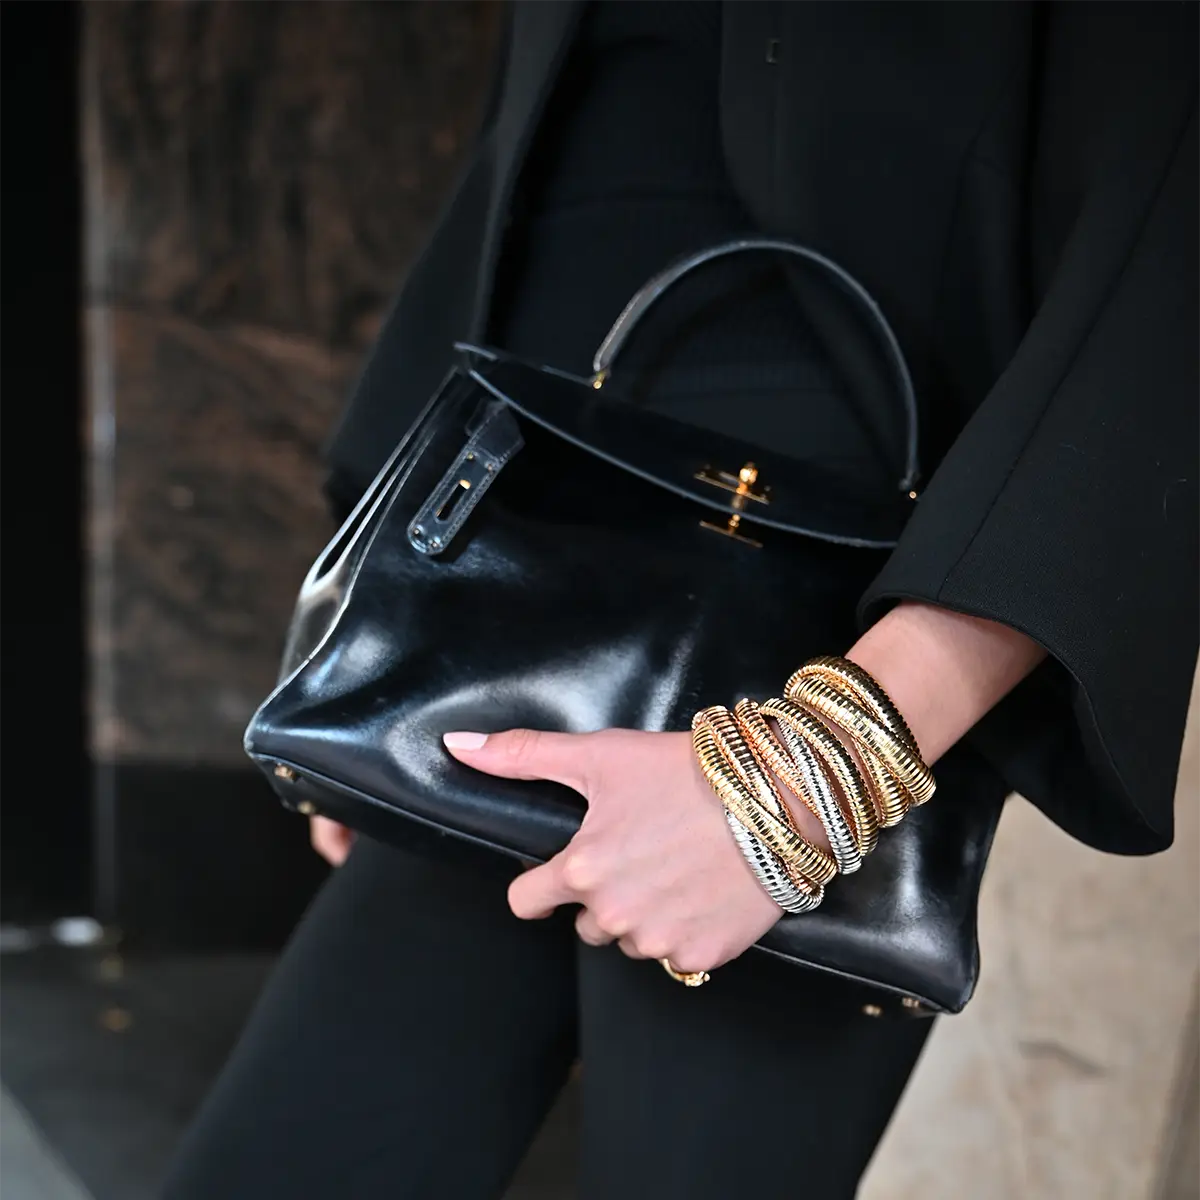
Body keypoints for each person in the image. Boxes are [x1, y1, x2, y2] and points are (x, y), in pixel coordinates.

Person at [165, 2, 1199, 1196]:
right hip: (521, 568)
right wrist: (375, 630)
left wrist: (813, 774)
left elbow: (1163, 269)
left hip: (836, 616)